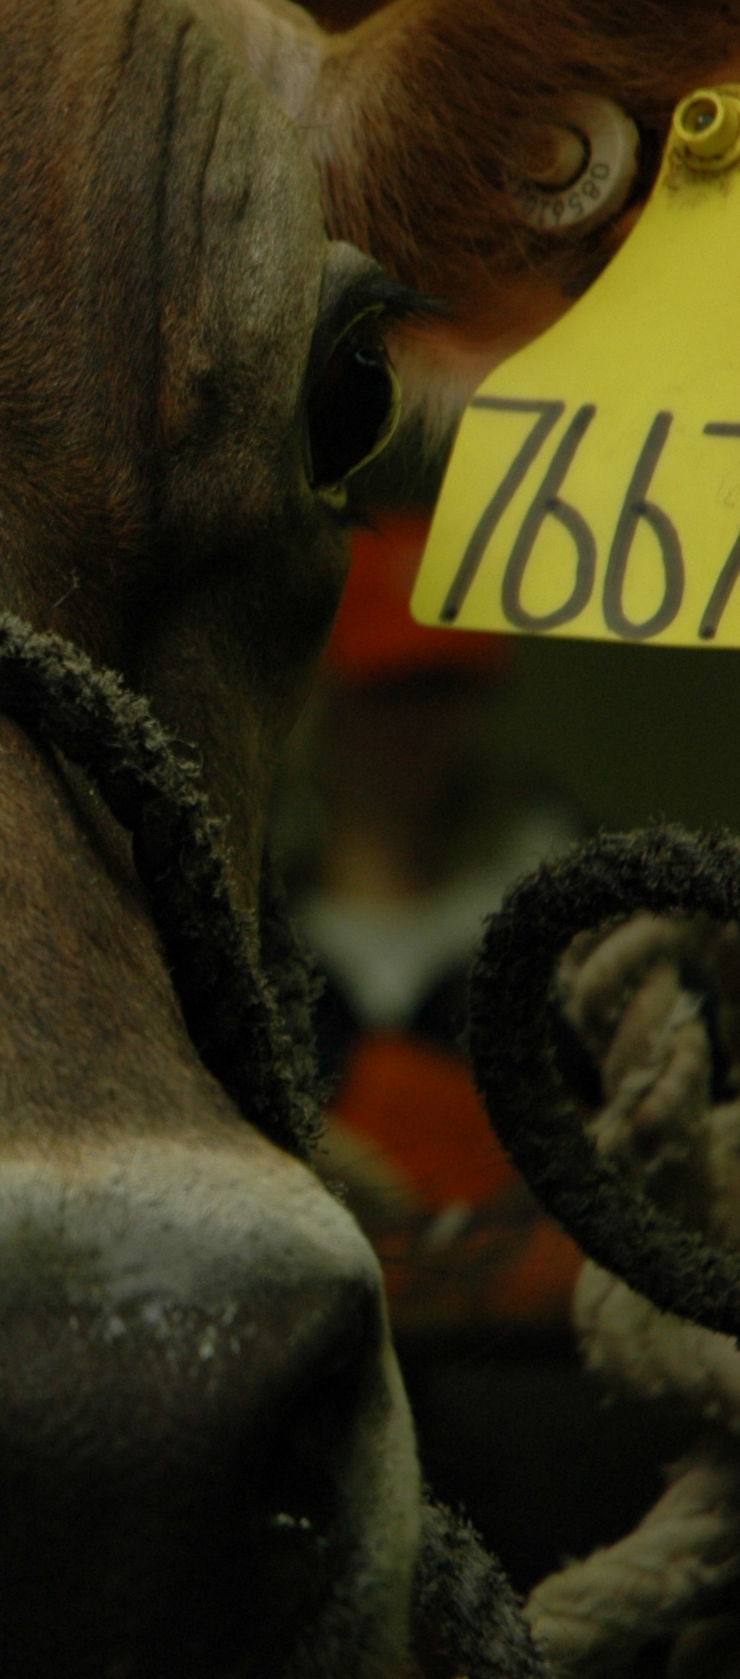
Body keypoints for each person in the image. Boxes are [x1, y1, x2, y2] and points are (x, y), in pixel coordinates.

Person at [284, 510, 583, 1334]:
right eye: (390, 688)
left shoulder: (565, 903)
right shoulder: (248, 921)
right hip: (324, 1315)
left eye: (441, 686)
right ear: (329, 698)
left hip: (525, 1341)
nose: (417, 724)